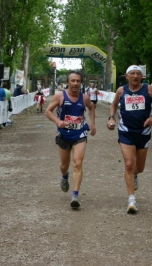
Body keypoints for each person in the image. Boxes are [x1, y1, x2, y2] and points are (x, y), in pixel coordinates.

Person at [107, 65, 152, 214]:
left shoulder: (148, 89)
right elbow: (114, 104)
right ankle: (131, 199)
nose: (135, 76)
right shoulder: (121, 91)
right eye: (132, 73)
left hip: (144, 132)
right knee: (128, 164)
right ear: (126, 76)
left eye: (138, 74)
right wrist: (111, 118)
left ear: (142, 77)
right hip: (126, 131)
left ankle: (135, 175)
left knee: (139, 168)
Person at [45, 71, 96, 209]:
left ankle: (75, 195)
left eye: (78, 81)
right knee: (64, 165)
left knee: (78, 163)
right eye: (72, 81)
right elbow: (48, 111)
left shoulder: (84, 98)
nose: (75, 83)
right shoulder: (60, 96)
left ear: (80, 83)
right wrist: (58, 121)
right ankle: (64, 176)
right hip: (63, 134)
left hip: (79, 133)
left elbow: (91, 107)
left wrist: (92, 123)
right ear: (68, 82)